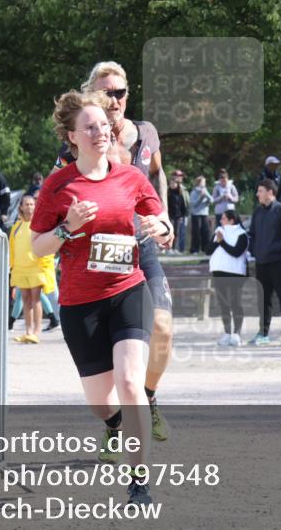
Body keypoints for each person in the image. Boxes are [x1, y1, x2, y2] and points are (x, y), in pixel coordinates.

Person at [30, 89, 173, 507]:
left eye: (104, 126)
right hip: (80, 302)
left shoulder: (131, 177)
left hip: (127, 289)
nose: (101, 132)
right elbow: (38, 248)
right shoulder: (58, 186)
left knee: (131, 382)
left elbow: (161, 220)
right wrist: (67, 226)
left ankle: (139, 483)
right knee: (99, 401)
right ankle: (113, 424)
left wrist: (160, 228)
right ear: (72, 136)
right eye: (89, 127)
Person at [53, 61, 175, 442]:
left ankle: (147, 398)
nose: (114, 99)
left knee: (163, 329)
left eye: (120, 92)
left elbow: (158, 173)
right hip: (95, 256)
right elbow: (59, 196)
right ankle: (115, 421)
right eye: (106, 92)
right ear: (93, 95)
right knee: (108, 358)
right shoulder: (76, 145)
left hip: (140, 249)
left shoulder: (146, 134)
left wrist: (164, 217)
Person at [247, 178, 281, 346]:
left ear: (270, 192)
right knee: (263, 299)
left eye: (260, 191)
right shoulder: (258, 212)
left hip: (279, 262)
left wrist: (274, 248)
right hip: (261, 263)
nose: (257, 194)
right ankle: (263, 333)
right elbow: (252, 234)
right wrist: (255, 250)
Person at [9, 194, 52, 344]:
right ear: (21, 207)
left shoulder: (39, 223)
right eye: (26, 204)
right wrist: (12, 267)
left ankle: (36, 331)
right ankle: (27, 331)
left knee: (36, 299)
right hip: (21, 267)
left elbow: (46, 244)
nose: (29, 207)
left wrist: (45, 266)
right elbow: (13, 248)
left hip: (36, 266)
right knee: (25, 299)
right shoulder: (17, 226)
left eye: (31, 204)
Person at [205, 209, 248, 346]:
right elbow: (208, 250)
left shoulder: (241, 234)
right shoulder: (219, 232)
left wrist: (222, 242)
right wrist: (218, 240)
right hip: (218, 272)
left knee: (235, 303)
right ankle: (227, 332)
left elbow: (236, 252)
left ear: (231, 220)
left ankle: (237, 333)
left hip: (234, 273)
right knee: (223, 304)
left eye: (223, 219)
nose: (221, 221)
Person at [188, 175, 212, 254]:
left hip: (204, 214)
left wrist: (206, 195)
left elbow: (211, 200)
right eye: (203, 182)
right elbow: (193, 204)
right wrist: (201, 198)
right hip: (196, 214)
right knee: (196, 232)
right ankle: (195, 249)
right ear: (199, 183)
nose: (204, 183)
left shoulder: (205, 190)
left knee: (206, 231)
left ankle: (206, 248)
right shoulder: (194, 192)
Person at [167, 175, 189, 254]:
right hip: (170, 216)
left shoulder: (180, 193)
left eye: (174, 183)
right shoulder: (168, 193)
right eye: (171, 183)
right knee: (169, 232)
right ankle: (169, 248)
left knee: (176, 233)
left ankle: (174, 248)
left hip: (178, 216)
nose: (172, 185)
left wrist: (183, 215)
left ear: (177, 184)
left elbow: (183, 205)